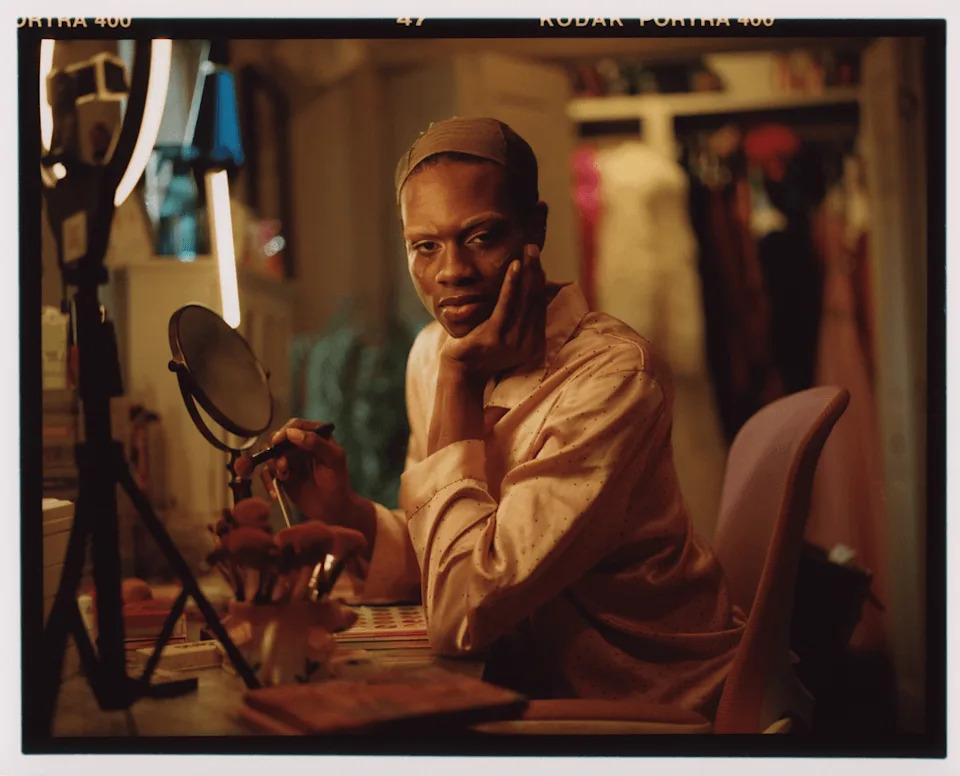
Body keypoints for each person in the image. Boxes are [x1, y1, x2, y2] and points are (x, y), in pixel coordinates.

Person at [244, 117, 745, 719]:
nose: (450, 271)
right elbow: (450, 554)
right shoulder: (432, 352)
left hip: (653, 698)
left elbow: (462, 610)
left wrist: (460, 384)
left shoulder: (612, 377)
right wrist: (346, 512)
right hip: (537, 682)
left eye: (480, 236)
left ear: (534, 228)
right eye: (424, 246)